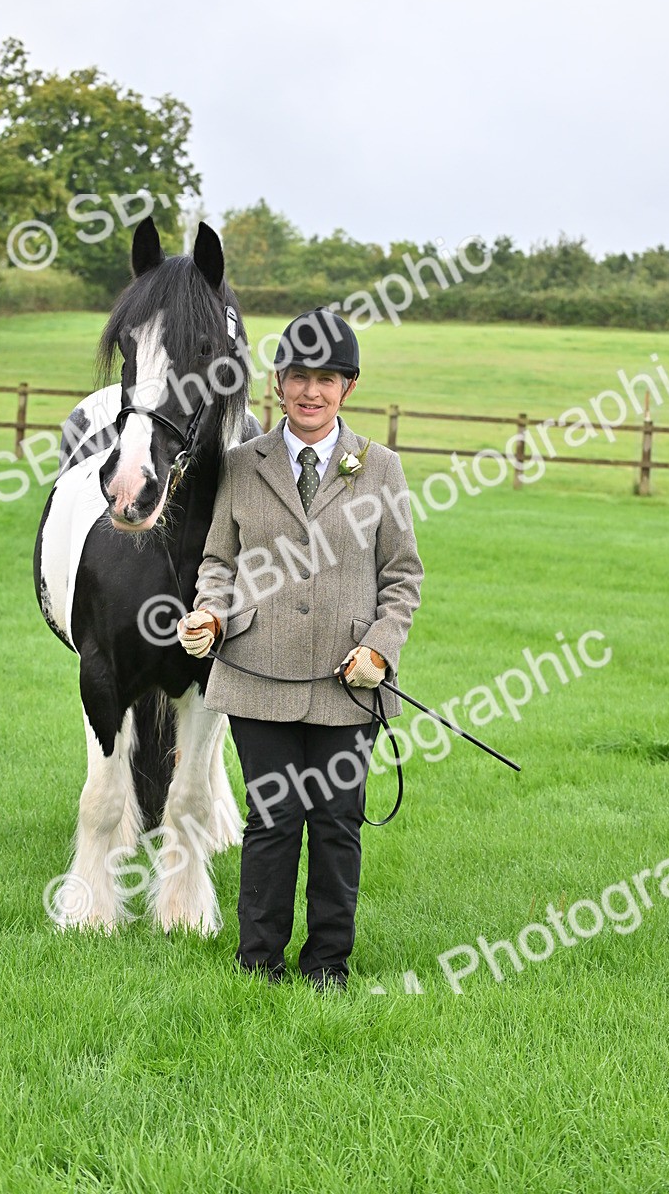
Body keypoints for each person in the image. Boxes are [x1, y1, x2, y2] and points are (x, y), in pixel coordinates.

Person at [177, 307, 423, 991]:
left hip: (351, 684)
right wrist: (210, 614)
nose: (309, 392)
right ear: (277, 384)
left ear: (347, 387)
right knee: (273, 821)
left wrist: (380, 647)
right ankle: (258, 966)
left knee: (339, 824)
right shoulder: (239, 465)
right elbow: (219, 562)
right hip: (259, 676)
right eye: (297, 378)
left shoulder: (382, 469)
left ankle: (327, 968)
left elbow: (403, 578)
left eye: (325, 379)